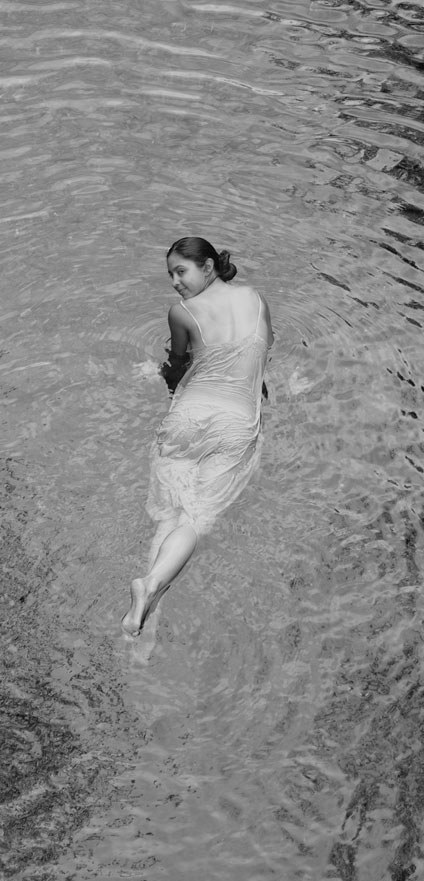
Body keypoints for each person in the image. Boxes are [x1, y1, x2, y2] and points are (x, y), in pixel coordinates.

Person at [122, 236, 274, 638]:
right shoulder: (256, 299)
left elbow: (177, 367)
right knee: (194, 519)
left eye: (181, 271)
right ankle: (150, 590)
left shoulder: (182, 312)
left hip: (187, 418)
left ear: (208, 267)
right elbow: (263, 356)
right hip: (235, 425)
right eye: (171, 274)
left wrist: (156, 371)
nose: (175, 282)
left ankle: (145, 618)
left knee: (170, 515)